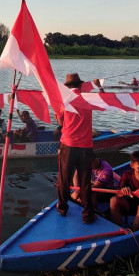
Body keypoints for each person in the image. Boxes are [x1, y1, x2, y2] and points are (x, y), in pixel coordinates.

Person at [55, 73, 96, 224]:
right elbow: (105, 102)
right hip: (86, 146)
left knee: (64, 180)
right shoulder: (88, 98)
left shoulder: (63, 100)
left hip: (68, 144)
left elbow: (60, 121)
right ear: (80, 85)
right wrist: (99, 85)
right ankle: (88, 214)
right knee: (85, 182)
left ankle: (62, 208)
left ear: (68, 86)